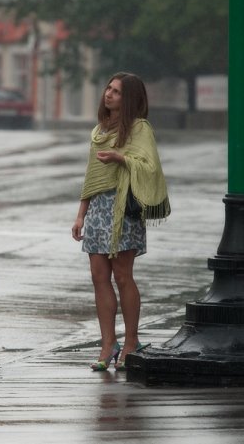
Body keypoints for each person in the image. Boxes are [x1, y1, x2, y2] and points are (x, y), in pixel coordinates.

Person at [71, 72, 169, 371]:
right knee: (98, 277)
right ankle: (107, 343)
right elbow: (91, 176)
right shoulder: (99, 130)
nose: (109, 94)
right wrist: (80, 214)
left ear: (130, 99)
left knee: (123, 275)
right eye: (108, 89)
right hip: (99, 209)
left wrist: (121, 158)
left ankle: (131, 341)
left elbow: (150, 167)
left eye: (117, 92)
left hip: (124, 208)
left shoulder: (140, 129)